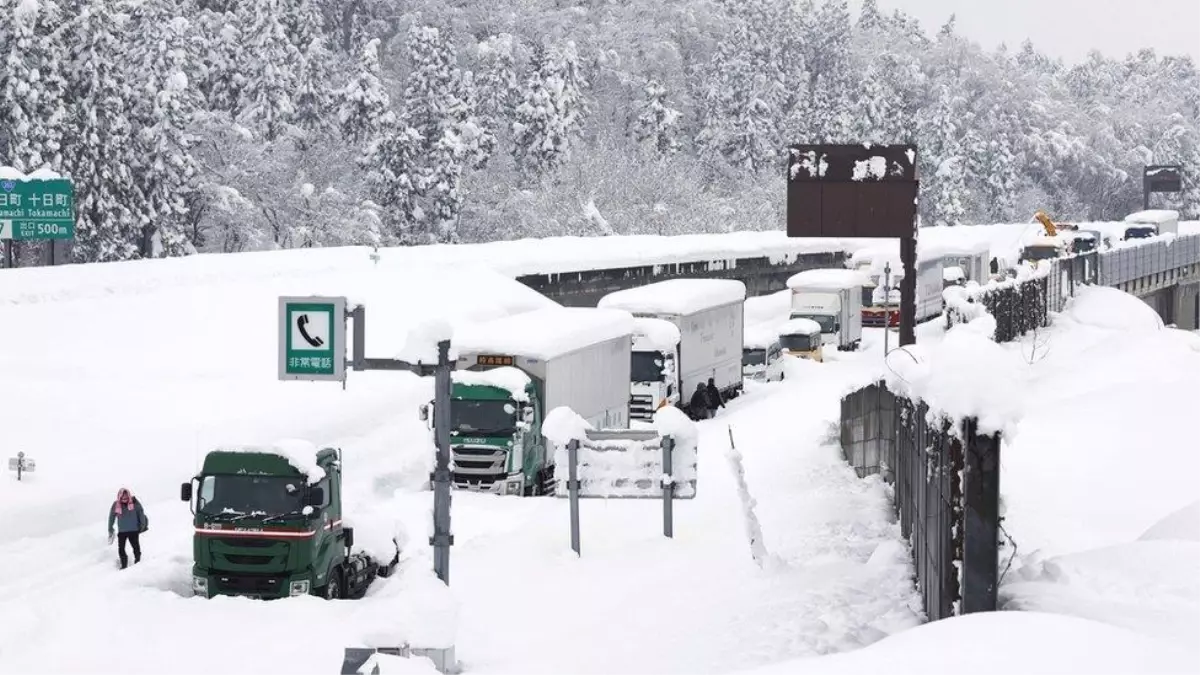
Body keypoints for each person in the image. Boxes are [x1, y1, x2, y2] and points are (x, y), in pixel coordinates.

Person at [107, 487, 148, 569]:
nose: (124, 499)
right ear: (119, 496)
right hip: (122, 531)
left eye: (126, 497)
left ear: (128, 495)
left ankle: (138, 562)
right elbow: (111, 517)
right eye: (123, 497)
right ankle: (124, 565)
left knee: (135, 547)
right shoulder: (116, 504)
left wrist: (142, 526)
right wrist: (110, 528)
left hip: (133, 530)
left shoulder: (135, 503)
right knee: (121, 549)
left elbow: (141, 514)